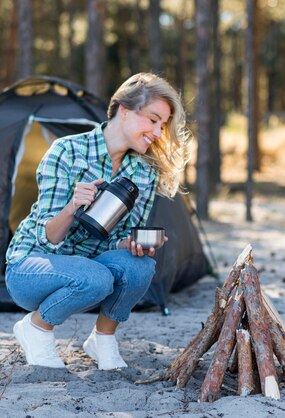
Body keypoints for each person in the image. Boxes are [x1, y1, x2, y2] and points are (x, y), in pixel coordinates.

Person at [6, 72, 191, 370]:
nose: (158, 132)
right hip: (32, 266)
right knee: (96, 276)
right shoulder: (67, 151)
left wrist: (130, 244)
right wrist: (72, 207)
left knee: (140, 265)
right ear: (125, 110)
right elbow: (49, 238)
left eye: (163, 125)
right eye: (153, 119)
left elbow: (115, 240)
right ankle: (36, 328)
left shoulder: (143, 173)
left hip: (89, 269)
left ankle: (102, 339)